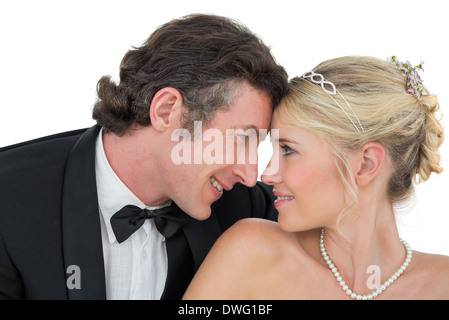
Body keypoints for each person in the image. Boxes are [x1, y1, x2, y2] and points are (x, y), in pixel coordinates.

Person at [0, 14, 288, 300]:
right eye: (241, 140)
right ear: (166, 111)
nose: (251, 175)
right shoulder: (8, 199)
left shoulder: (247, 208)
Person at [183, 56, 449, 300]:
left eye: (288, 149)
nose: (266, 174)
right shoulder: (252, 254)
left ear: (366, 164)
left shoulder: (443, 285)